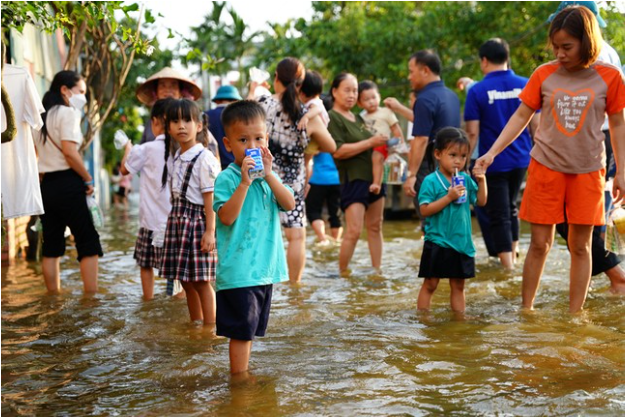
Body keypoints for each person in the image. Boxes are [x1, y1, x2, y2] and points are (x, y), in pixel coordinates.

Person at [474, 6, 625, 313]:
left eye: (567, 47)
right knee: (539, 244)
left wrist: (622, 171)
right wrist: (491, 153)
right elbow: (520, 116)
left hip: (588, 170)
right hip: (545, 168)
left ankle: (574, 316)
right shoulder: (544, 74)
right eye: (555, 47)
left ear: (587, 42)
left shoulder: (609, 77)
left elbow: (619, 124)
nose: (560, 53)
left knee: (580, 246)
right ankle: (526, 310)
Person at [548, 0, 625, 294]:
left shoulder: (599, 55)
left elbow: (612, 115)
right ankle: (608, 275)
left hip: (594, 144)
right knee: (577, 221)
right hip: (592, 142)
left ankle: (615, 275)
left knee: (581, 220)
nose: (559, 52)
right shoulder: (607, 51)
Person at [214, 100, 296, 374]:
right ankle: (238, 380)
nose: (252, 145)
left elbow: (289, 203)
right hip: (239, 271)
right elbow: (226, 216)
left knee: (249, 330)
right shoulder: (228, 178)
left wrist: (269, 176)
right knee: (241, 332)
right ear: (228, 144)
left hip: (262, 270)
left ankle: (242, 374)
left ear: (267, 140)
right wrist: (245, 182)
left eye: (258, 138)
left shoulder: (269, 178)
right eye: (243, 139)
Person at [253, 58, 336, 283]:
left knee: (260, 232)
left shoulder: (260, 103)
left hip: (261, 178)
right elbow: (331, 146)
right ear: (300, 84)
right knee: (296, 236)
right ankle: (294, 288)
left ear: (276, 78)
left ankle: (262, 283)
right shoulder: (305, 113)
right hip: (293, 182)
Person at [464, 38, 537, 270]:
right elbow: (536, 125)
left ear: (484, 61)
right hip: (522, 157)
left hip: (491, 160)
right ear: (507, 57)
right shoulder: (526, 84)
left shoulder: (477, 90)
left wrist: (466, 162)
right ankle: (513, 256)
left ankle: (508, 267)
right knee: (511, 207)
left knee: (498, 213)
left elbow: (472, 132)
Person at [34, 70, 103, 294]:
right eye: (80, 91)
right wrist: (88, 177)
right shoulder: (68, 114)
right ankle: (91, 299)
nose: (82, 97)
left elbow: (36, 152)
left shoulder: (41, 116)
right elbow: (70, 153)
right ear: (64, 90)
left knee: (51, 246)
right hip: (68, 184)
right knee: (87, 241)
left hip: (46, 186)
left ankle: (53, 297)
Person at [160, 99, 221, 325]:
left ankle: (211, 327)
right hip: (178, 222)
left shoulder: (204, 158)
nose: (181, 126)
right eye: (175, 121)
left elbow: (210, 198)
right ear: (168, 128)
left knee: (202, 281)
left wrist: (210, 232)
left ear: (199, 126)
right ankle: (196, 322)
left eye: (187, 120)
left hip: (197, 223)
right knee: (185, 280)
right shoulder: (177, 156)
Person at [384, 50, 461, 218]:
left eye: (411, 71)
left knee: (430, 223)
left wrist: (411, 175)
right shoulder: (451, 96)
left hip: (430, 168)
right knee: (450, 222)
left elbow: (421, 139)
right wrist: (399, 108)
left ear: (425, 70)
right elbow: (428, 122)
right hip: (454, 168)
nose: (409, 77)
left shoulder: (425, 99)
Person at [417, 128, 487, 312]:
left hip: (461, 242)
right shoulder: (431, 181)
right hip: (437, 241)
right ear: (438, 154)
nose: (458, 161)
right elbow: (424, 210)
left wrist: (482, 181)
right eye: (453, 154)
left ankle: (459, 321)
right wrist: (448, 197)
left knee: (458, 286)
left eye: (463, 156)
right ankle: (423, 319)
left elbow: (480, 201)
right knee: (430, 284)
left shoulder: (464, 178)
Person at [327, 73, 389, 274]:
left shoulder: (360, 117)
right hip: (353, 180)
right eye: (347, 90)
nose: (352, 95)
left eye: (355, 91)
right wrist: (371, 142)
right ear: (334, 91)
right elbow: (338, 150)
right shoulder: (332, 117)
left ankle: (377, 271)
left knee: (375, 227)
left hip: (375, 178)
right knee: (353, 231)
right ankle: (343, 273)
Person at [120, 98, 174, 300]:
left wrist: (128, 148)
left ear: (154, 122)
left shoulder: (144, 149)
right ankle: (178, 302)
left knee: (146, 264)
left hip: (150, 221)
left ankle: (148, 300)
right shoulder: (182, 150)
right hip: (176, 222)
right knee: (177, 271)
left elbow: (124, 169)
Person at [298, 70, 342, 245]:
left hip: (318, 178)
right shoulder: (332, 128)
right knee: (335, 212)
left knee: (314, 210)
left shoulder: (314, 105)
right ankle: (336, 240)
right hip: (336, 179)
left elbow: (314, 110)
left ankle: (323, 238)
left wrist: (306, 117)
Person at [357, 80, 406, 195]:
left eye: (373, 97)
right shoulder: (360, 117)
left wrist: (401, 144)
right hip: (368, 146)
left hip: (383, 144)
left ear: (379, 96)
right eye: (366, 99)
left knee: (376, 157)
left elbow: (395, 128)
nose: (371, 102)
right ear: (359, 103)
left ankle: (377, 183)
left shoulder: (386, 112)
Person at [136, 67, 202, 144]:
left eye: (173, 86)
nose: (167, 90)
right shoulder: (153, 120)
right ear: (156, 92)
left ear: (181, 92)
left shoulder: (191, 116)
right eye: (162, 85)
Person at [206, 85, 242, 170]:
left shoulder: (206, 116)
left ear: (217, 100)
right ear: (235, 100)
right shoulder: (240, 116)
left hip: (211, 165)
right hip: (236, 166)